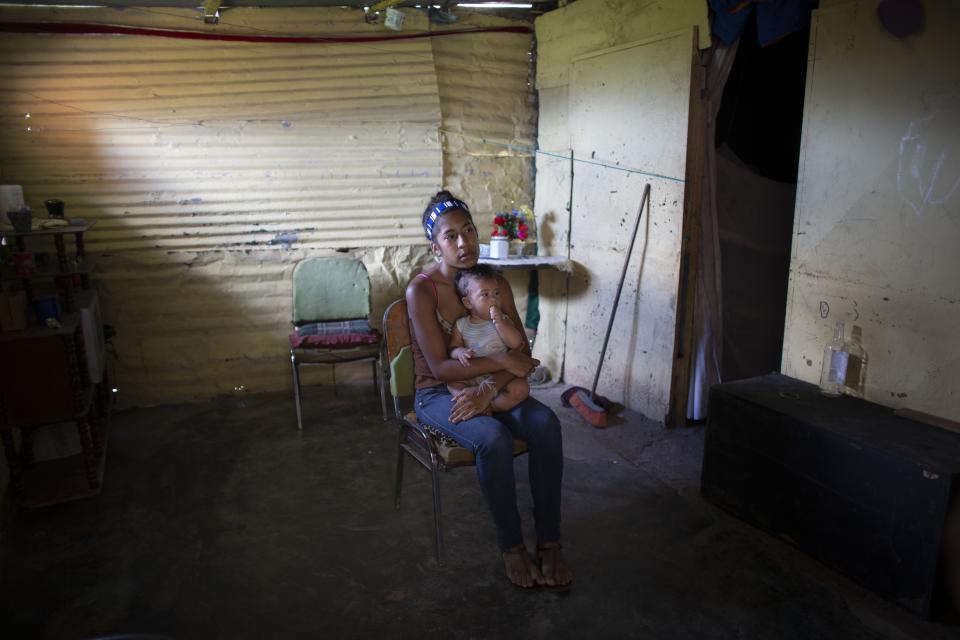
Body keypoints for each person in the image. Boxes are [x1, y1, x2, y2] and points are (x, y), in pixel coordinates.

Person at [405, 191, 573, 590]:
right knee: (494, 439)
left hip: (495, 387)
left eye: (468, 231)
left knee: (547, 424)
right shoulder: (421, 291)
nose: (463, 243)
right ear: (435, 245)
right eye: (450, 236)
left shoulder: (493, 283)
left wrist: (489, 386)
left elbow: (523, 351)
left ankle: (549, 541)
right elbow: (442, 366)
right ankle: (511, 546)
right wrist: (498, 367)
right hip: (438, 394)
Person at [447, 264, 530, 413]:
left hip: (500, 376)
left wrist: (500, 323)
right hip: (473, 374)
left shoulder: (503, 321)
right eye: (485, 295)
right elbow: (452, 348)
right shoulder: (462, 325)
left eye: (496, 294)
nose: (493, 300)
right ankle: (471, 398)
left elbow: (517, 344)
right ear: (468, 302)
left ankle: (490, 407)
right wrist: (459, 352)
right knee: (452, 383)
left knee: (521, 388)